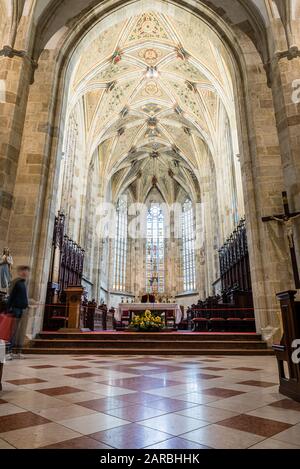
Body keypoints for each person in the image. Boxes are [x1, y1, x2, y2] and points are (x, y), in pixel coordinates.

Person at [6, 265, 30, 360]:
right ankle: (8, 352)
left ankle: (17, 352)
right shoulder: (16, 282)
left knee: (19, 333)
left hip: (21, 310)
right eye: (23, 271)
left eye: (27, 271)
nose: (25, 273)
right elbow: (11, 296)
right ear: (20, 272)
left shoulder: (23, 283)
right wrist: (9, 309)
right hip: (15, 310)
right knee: (12, 332)